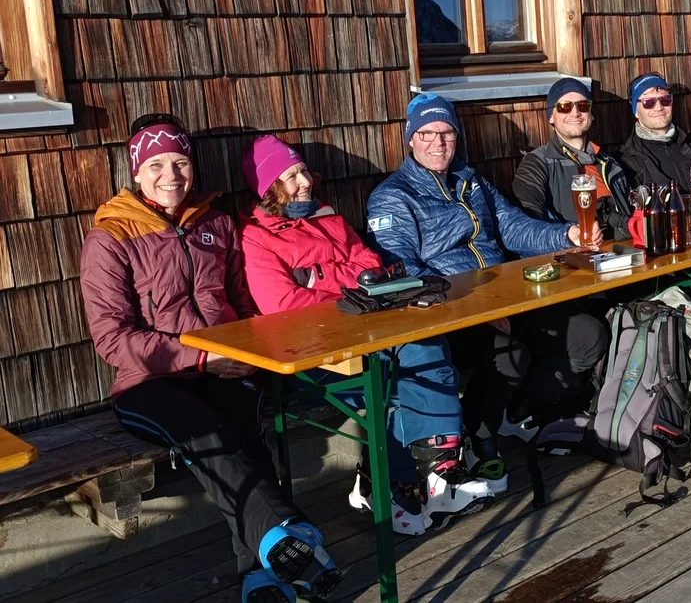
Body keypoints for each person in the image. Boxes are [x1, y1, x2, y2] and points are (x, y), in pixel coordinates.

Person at [80, 115, 341, 603]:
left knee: (249, 437)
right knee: (210, 433)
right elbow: (112, 338)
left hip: (225, 366)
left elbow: (244, 306)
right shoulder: (110, 238)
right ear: (136, 172)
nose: (170, 175)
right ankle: (288, 533)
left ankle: (263, 573)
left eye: (179, 162)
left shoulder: (215, 223)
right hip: (148, 382)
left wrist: (258, 352)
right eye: (156, 164)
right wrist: (200, 360)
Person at [238, 134, 493, 537]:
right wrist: (348, 285)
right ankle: (408, 477)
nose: (304, 180)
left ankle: (425, 474)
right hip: (314, 355)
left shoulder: (327, 217)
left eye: (303, 170)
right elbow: (282, 304)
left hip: (369, 333)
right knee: (401, 376)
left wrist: (318, 277)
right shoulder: (257, 237)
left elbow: (373, 268)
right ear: (268, 188)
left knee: (425, 344)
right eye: (290, 176)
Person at [364, 93, 608, 493]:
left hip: (510, 296)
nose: (438, 142)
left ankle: (514, 411)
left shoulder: (471, 180)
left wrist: (567, 235)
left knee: (588, 336)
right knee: (510, 354)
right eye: (427, 133)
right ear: (410, 138)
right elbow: (405, 270)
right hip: (449, 313)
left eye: (446, 133)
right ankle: (479, 434)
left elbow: (513, 227)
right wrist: (476, 308)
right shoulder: (392, 197)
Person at [513, 78, 634, 240]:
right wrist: (568, 236)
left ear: (591, 115)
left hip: (622, 254)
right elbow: (526, 226)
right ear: (551, 117)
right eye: (565, 107)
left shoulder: (610, 164)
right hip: (571, 258)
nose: (575, 113)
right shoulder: (537, 163)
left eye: (583, 106)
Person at [616, 72, 691, 216]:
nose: (659, 107)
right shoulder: (627, 159)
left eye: (665, 100)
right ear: (636, 111)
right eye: (648, 102)